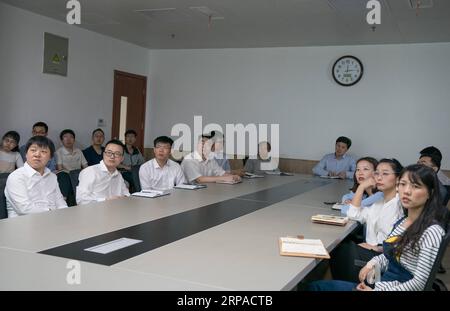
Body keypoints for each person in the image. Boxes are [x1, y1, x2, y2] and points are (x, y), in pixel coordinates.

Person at [309, 164, 447, 291]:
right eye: (403, 184)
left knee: (317, 287)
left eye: (416, 186)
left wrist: (376, 290)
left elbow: (419, 284)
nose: (407, 191)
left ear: (430, 192)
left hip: (389, 288)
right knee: (315, 286)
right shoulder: (403, 221)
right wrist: (372, 263)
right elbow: (390, 256)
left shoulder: (431, 231)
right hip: (384, 283)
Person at [329, 158, 404, 282]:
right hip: (371, 251)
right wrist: (361, 187)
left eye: (385, 173)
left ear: (398, 179)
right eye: (377, 173)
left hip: (382, 258)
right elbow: (353, 214)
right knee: (336, 248)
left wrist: (378, 248)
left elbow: (402, 241)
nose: (379, 177)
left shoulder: (399, 204)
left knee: (337, 250)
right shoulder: (379, 202)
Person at [5, 136, 67, 217]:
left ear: (50, 157)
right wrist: (52, 213)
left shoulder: (52, 176)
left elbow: (60, 202)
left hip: (53, 220)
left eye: (43, 151)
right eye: (33, 150)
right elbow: (24, 209)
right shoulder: (16, 177)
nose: (37, 154)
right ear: (26, 154)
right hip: (24, 224)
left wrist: (65, 215)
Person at [76, 139, 129, 205]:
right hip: (94, 212)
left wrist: (125, 197)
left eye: (117, 154)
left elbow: (126, 194)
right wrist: (105, 200)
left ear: (122, 158)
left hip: (115, 210)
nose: (112, 156)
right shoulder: (90, 172)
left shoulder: (118, 175)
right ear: (103, 154)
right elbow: (81, 200)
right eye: (109, 153)